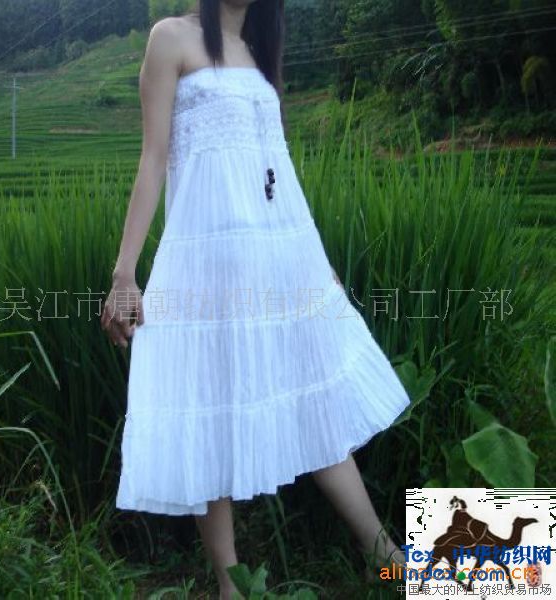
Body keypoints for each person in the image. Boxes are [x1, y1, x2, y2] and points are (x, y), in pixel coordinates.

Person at [100, 1, 410, 597]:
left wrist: (318, 264)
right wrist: (124, 273)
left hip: (277, 261)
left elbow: (278, 171)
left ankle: (385, 556)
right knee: (207, 405)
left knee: (314, 399)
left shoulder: (259, 55)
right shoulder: (172, 38)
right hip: (204, 263)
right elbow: (153, 158)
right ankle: (231, 585)